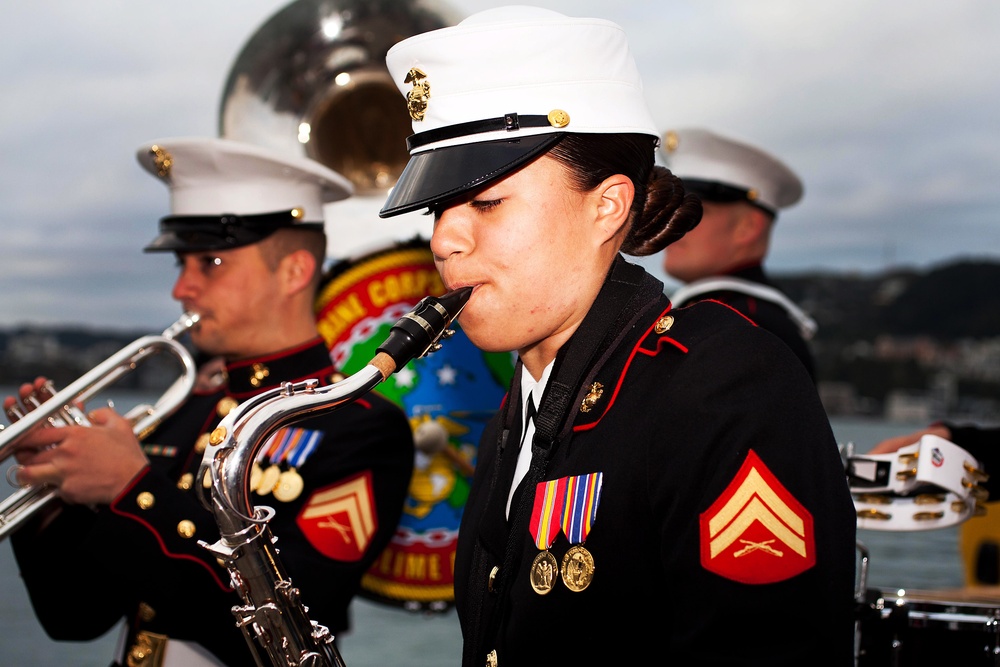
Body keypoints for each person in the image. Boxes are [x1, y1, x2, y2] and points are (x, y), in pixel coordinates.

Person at [376, 6, 857, 666]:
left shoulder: (725, 387)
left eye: (486, 201)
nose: (444, 239)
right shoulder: (512, 417)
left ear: (607, 205)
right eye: (438, 208)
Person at [4, 137, 415, 667]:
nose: (182, 288)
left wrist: (131, 489)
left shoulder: (358, 428)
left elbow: (292, 624)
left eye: (210, 261)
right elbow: (74, 619)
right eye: (182, 263)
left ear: (293, 272)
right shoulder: (183, 412)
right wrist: (57, 495)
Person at [660, 128, 820, 381]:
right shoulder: (742, 319)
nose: (670, 221)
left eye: (692, 211)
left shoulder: (740, 328)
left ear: (747, 227)